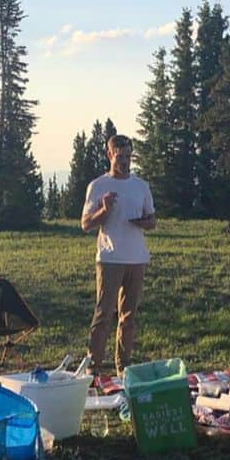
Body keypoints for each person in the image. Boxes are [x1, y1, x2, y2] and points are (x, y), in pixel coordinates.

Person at [81, 133, 156, 377]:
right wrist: (104, 209)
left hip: (137, 259)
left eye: (128, 156)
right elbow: (86, 224)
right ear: (109, 155)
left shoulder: (141, 186)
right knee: (103, 314)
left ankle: (123, 366)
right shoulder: (98, 186)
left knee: (129, 316)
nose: (124, 161)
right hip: (110, 259)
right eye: (119, 156)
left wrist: (143, 222)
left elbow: (152, 220)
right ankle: (94, 365)